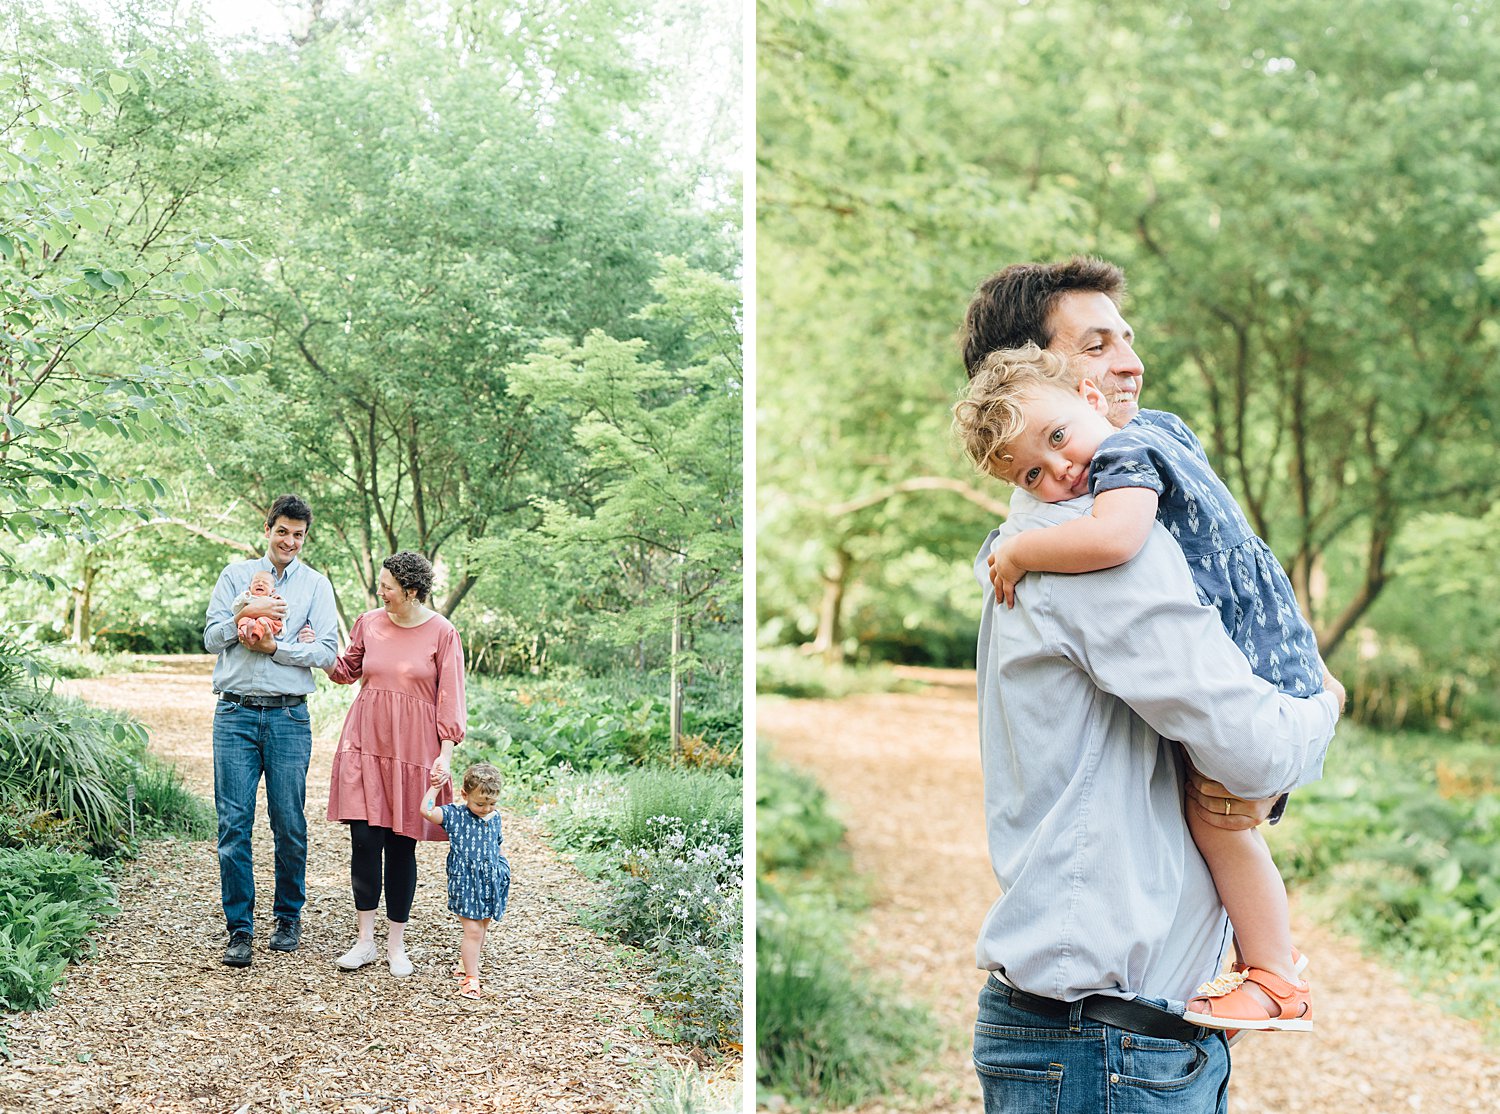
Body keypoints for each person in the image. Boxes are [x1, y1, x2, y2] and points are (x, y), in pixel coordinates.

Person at [954, 260, 1344, 1111]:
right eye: (1096, 345)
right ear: (1034, 373)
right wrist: (1326, 702)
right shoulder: (1085, 545)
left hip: (1118, 1039)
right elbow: (1255, 745)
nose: (1129, 362)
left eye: (1127, 338)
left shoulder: (1071, 528)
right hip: (1101, 1045)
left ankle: (1273, 972)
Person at [203, 494, 339, 968]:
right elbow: (210, 637)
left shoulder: (317, 587)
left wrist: (275, 647)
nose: (290, 542)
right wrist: (242, 617)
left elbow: (326, 652)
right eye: (283, 531)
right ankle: (239, 929)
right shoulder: (235, 577)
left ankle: (288, 917)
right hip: (235, 715)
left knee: (289, 822)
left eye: (299, 534)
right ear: (268, 530)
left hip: (288, 717)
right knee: (233, 825)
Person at [318, 549, 466, 978]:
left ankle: (396, 944)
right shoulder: (369, 622)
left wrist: (445, 754)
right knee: (364, 840)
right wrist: (318, 651)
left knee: (402, 844)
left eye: (387, 587)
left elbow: (450, 697)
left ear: (411, 591)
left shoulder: (442, 632)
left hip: (414, 750)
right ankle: (364, 941)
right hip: (365, 741)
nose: (379, 591)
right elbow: (347, 669)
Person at [418, 762, 511, 1000]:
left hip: (491, 880)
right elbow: (427, 810)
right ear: (465, 795)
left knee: (482, 927)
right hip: (466, 882)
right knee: (472, 931)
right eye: (480, 803)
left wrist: (503, 868)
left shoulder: (495, 817)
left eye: (491, 803)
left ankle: (466, 964)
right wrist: (434, 788)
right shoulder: (456, 816)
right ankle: (471, 979)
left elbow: (497, 844)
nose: (486, 808)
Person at [234, 571, 285, 644]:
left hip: (269, 622)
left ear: (272, 591)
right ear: (249, 588)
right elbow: (235, 609)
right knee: (243, 619)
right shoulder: (248, 598)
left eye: (265, 583)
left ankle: (253, 637)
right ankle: (244, 631)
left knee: (263, 621)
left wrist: (281, 601)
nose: (260, 584)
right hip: (250, 621)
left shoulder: (273, 600)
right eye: (256, 582)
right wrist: (244, 597)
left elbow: (285, 613)